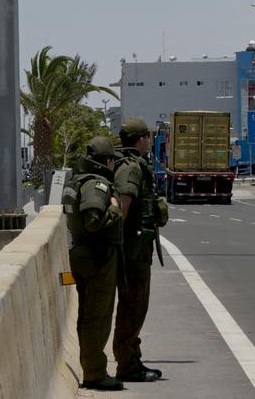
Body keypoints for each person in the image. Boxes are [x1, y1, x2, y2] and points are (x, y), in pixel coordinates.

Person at [63, 137, 125, 392]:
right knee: (97, 318)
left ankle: (92, 368)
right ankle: (95, 374)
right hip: (96, 257)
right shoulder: (96, 184)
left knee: (88, 316)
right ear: (107, 161)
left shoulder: (76, 180)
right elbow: (93, 221)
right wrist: (115, 209)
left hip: (82, 254)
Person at [112, 118, 166, 383]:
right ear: (140, 139)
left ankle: (132, 359)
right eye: (147, 136)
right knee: (132, 307)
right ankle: (127, 365)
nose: (150, 140)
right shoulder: (131, 169)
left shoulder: (134, 165)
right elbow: (122, 209)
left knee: (135, 307)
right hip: (132, 252)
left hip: (137, 249)